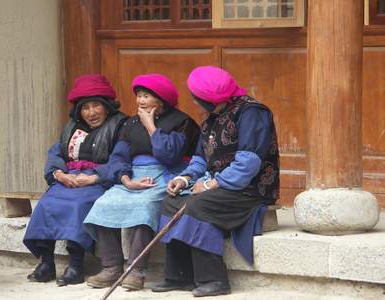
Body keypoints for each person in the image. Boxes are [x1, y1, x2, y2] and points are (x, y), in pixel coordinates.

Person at [153, 66, 280, 297]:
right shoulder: (211, 118)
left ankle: (214, 280)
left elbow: (248, 164)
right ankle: (179, 276)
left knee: (198, 205)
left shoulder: (252, 112)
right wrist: (185, 178)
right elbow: (201, 158)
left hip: (249, 188)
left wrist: (211, 185)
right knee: (170, 202)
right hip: (219, 184)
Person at [83, 73, 200, 291]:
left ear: (161, 99)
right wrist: (125, 179)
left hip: (165, 173)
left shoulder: (182, 122)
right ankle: (111, 266)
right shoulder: (130, 123)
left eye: (147, 96)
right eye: (138, 96)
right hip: (134, 174)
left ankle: (135, 270)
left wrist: (150, 126)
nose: (140, 101)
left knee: (146, 205)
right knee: (103, 203)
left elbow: (170, 156)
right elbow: (118, 156)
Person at [23, 74, 127, 286]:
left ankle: (76, 265)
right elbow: (56, 153)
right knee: (46, 204)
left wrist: (94, 179)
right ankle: (47, 262)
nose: (91, 112)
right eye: (85, 107)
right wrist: (60, 175)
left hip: (97, 182)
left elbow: (121, 159)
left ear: (107, 106)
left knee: (79, 205)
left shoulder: (121, 126)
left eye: (96, 105)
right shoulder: (71, 127)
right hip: (68, 178)